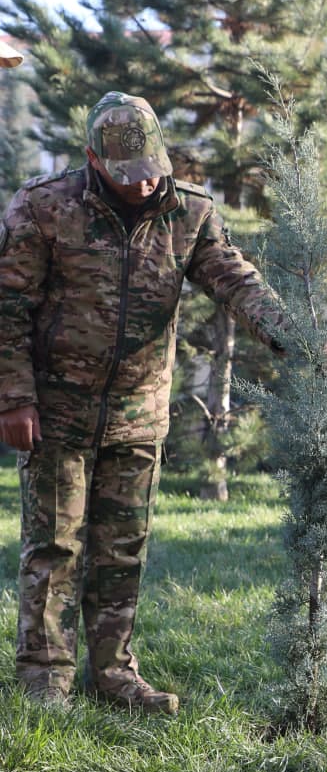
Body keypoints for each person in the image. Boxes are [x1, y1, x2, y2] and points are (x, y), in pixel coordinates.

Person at [0, 91, 294, 715]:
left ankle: (113, 674)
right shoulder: (44, 207)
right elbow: (8, 309)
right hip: (55, 413)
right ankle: (44, 681)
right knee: (54, 547)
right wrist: (14, 399)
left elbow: (234, 278)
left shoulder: (189, 214)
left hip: (138, 413)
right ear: (92, 159)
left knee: (122, 548)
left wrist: (288, 332)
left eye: (152, 168)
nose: (143, 184)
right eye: (126, 173)